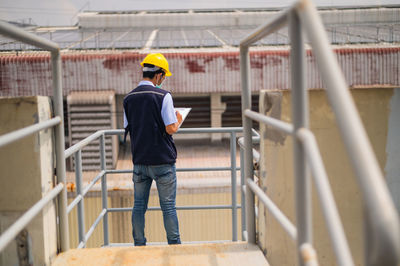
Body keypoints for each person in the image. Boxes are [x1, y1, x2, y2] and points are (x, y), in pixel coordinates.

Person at [123, 53, 182, 246]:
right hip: (163, 162)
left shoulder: (128, 98)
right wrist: (178, 119)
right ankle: (174, 245)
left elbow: (128, 126)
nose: (163, 80)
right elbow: (170, 128)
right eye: (163, 77)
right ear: (158, 75)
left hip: (140, 161)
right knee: (168, 207)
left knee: (139, 206)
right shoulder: (163, 96)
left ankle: (139, 244)